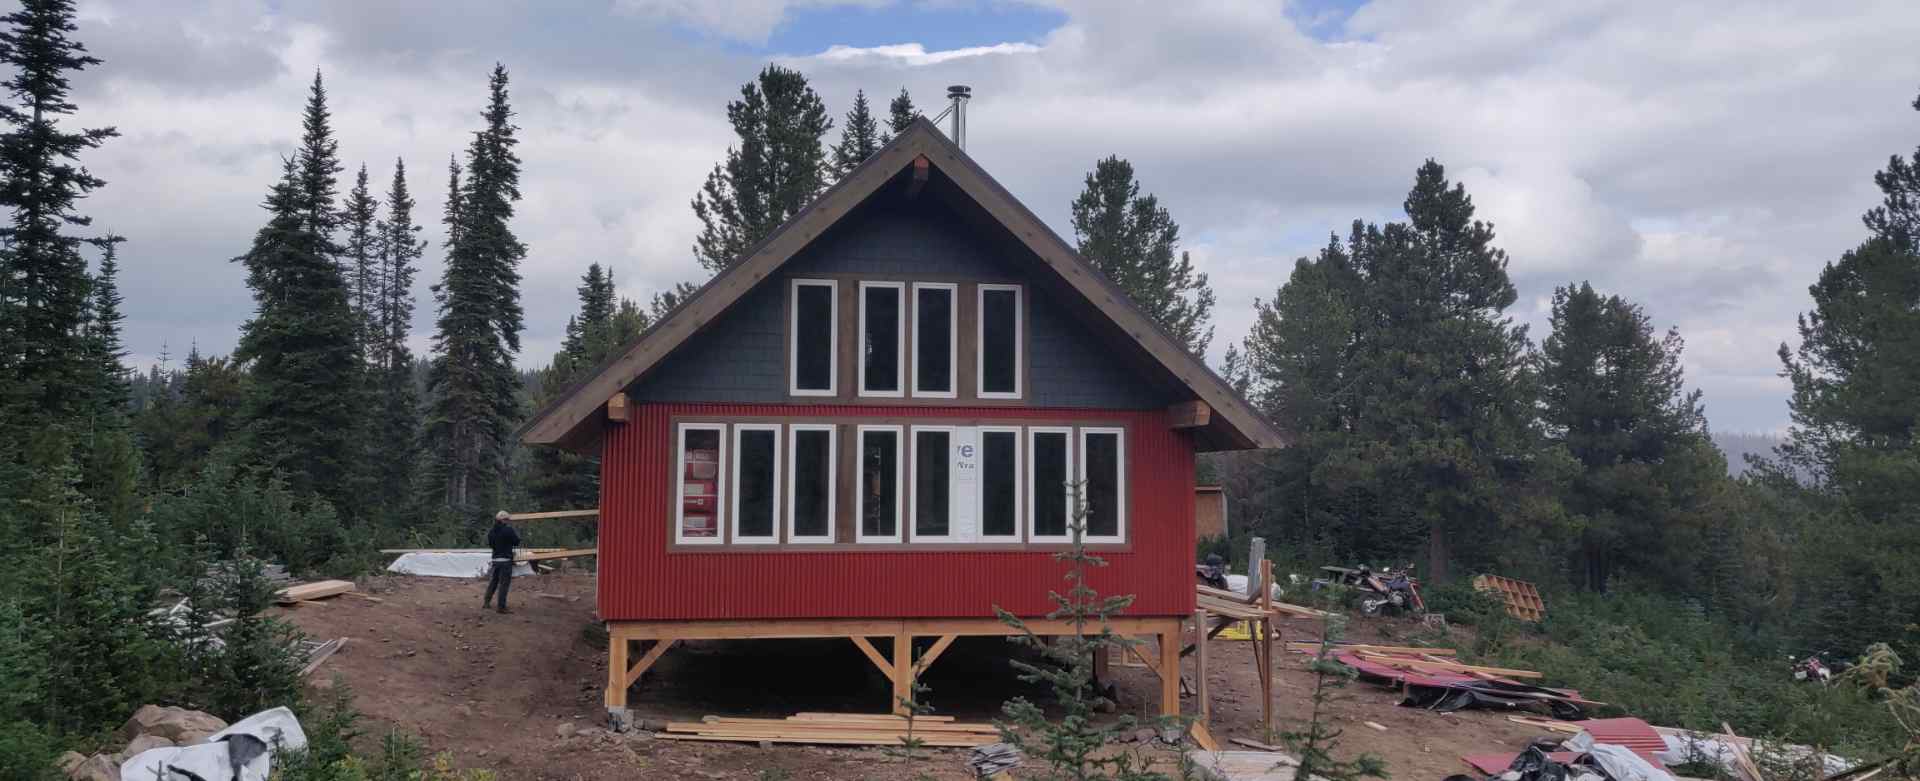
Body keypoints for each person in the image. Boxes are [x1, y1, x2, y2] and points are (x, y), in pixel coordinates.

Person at [483, 510, 520, 614]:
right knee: (504, 584)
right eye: (507, 519)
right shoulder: (508, 530)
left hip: (495, 560)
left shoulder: (491, 531)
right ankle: (501, 607)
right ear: (504, 520)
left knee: (493, 582)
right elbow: (516, 541)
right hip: (506, 560)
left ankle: (486, 602)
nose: (508, 521)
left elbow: (491, 544)